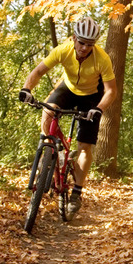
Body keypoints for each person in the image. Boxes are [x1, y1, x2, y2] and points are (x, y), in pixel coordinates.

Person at [19, 16, 117, 219]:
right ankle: (51, 149)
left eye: (89, 44)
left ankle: (77, 193)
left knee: (84, 146)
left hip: (92, 96)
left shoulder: (102, 58)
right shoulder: (62, 50)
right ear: (74, 38)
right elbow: (38, 71)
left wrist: (98, 108)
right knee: (47, 111)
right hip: (68, 88)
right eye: (81, 42)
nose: (84, 48)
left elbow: (111, 91)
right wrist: (27, 88)